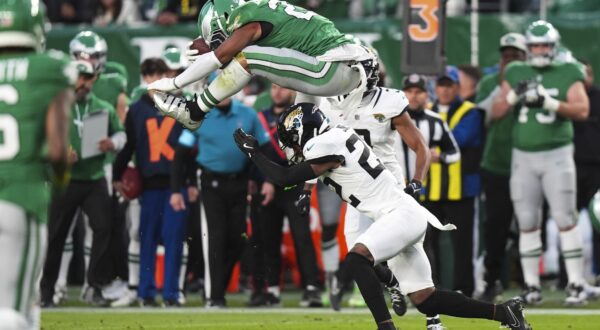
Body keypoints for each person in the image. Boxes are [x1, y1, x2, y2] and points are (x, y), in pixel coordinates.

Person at [233, 103, 531, 330]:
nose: (293, 146)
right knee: (427, 298)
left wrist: (253, 152)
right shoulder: (336, 136)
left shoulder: (320, 145)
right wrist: (303, 189)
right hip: (403, 214)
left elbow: (284, 176)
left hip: (397, 214)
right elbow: (303, 174)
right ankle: (504, 313)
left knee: (356, 258)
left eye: (292, 138)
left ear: (304, 131)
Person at [149, 0, 378, 130]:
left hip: (333, 67)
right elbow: (226, 60)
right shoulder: (263, 12)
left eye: (215, 36)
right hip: (339, 66)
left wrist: (172, 82)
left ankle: (195, 111)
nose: (218, 41)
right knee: (302, 115)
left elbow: (221, 57)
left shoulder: (247, 19)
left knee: (248, 57)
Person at [318, 64, 429, 322]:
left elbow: (421, 146)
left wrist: (416, 182)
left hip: (388, 188)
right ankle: (391, 283)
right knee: (357, 254)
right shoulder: (330, 103)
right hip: (357, 190)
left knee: (410, 254)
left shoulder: (388, 101)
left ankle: (432, 317)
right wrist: (306, 186)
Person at [493, 20, 591, 305]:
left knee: (565, 218)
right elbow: (496, 110)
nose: (539, 50)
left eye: (543, 45)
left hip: (557, 154)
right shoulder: (515, 71)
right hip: (523, 157)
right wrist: (514, 95)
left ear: (554, 46)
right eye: (534, 45)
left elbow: (582, 109)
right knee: (526, 222)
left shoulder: (568, 70)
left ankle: (575, 284)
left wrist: (548, 103)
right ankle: (532, 286)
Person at [0, 1, 74, 327]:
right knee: (15, 307)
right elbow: (58, 149)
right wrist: (60, 178)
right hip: (20, 192)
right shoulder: (48, 67)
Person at [40, 58, 126, 307]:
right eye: (80, 77)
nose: (84, 83)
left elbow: (120, 133)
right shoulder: (56, 106)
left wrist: (113, 144)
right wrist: (57, 154)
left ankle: (94, 286)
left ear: (95, 79)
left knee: (103, 229)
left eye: (88, 78)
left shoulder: (102, 107)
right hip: (64, 179)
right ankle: (47, 292)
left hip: (94, 177)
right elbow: (40, 138)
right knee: (56, 237)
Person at [174, 96, 270, 308]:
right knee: (214, 238)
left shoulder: (247, 114)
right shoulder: (199, 115)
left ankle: (217, 284)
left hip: (240, 182)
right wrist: (177, 188)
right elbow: (181, 153)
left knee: (239, 239)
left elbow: (264, 148)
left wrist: (266, 179)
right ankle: (213, 297)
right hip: (210, 183)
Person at [111, 58, 188, 307]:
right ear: (144, 78)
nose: (154, 78)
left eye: (159, 73)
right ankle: (145, 293)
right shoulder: (136, 110)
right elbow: (129, 146)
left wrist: (192, 182)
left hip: (176, 184)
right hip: (150, 184)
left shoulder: (182, 104)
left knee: (174, 240)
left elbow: (189, 148)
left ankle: (171, 294)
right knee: (147, 240)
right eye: (150, 74)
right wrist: (116, 174)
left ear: (166, 75)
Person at [246, 84, 322, 307]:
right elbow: (253, 152)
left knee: (302, 238)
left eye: (282, 87)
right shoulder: (258, 118)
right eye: (274, 87)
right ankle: (270, 289)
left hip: (294, 183)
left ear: (291, 91)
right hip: (267, 186)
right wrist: (256, 179)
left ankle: (311, 287)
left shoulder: (301, 117)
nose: (277, 92)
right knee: (267, 238)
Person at [423, 66, 484, 298]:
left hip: (461, 189)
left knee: (463, 244)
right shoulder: (426, 111)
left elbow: (460, 139)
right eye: (441, 85)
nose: (445, 90)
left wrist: (431, 151)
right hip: (429, 190)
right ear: (435, 87)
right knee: (427, 243)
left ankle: (464, 288)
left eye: (449, 85)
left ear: (457, 87)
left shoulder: (470, 111)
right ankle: (430, 288)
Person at [476, 32, 527, 302]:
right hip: (497, 164)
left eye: (516, 56)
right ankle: (491, 280)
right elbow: (487, 114)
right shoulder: (489, 83)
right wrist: (508, 90)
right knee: (495, 226)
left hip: (530, 162)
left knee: (531, 225)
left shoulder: (536, 81)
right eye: (507, 55)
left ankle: (530, 282)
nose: (510, 60)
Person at [398, 73, 460, 183]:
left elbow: (455, 153)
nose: (413, 95)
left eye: (418, 92)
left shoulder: (436, 121)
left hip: (423, 189)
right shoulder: (390, 118)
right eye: (409, 91)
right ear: (402, 94)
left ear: (427, 94)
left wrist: (440, 157)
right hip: (393, 186)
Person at [573, 60, 600, 283]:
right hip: (569, 167)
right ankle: (568, 277)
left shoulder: (598, 97)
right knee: (566, 224)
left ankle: (598, 273)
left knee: (598, 221)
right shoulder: (566, 99)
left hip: (596, 169)